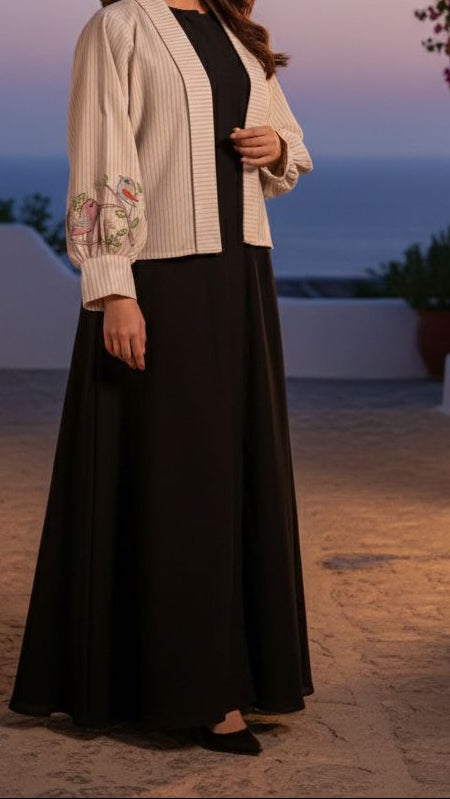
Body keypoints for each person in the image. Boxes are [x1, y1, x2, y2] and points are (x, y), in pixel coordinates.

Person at [9, 0, 315, 757]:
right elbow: (101, 154)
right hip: (163, 278)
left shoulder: (234, 30)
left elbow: (291, 146)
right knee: (183, 477)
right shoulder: (120, 26)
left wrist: (276, 145)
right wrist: (114, 286)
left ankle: (231, 675)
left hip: (243, 274)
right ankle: (198, 693)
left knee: (237, 474)